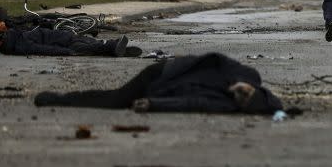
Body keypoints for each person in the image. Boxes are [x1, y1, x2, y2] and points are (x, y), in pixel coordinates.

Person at [33, 52, 283, 114]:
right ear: (253, 88)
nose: (240, 95)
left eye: (243, 100)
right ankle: (58, 98)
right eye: (247, 93)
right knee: (116, 99)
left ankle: (57, 99)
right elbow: (217, 58)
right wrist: (238, 81)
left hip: (162, 88)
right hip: (162, 73)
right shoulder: (247, 74)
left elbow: (191, 103)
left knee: (116, 100)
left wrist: (153, 104)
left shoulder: (229, 105)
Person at [0, 21, 135, 57]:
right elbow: (42, 49)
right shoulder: (18, 44)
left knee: (87, 42)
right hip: (62, 43)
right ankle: (112, 47)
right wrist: (64, 52)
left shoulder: (14, 35)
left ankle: (113, 48)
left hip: (61, 37)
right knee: (85, 46)